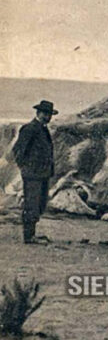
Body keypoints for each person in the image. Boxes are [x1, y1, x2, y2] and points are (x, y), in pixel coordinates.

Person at [11, 100, 58, 244]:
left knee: (40, 204)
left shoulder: (43, 129)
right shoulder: (30, 128)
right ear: (38, 113)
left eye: (49, 115)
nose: (47, 117)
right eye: (45, 114)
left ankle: (32, 234)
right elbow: (18, 150)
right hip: (32, 175)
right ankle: (29, 236)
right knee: (32, 204)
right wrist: (26, 169)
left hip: (42, 174)